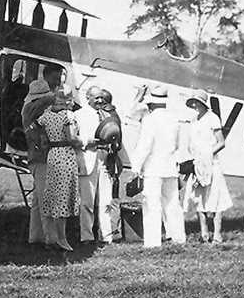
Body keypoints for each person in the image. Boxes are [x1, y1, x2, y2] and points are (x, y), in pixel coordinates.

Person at [128, 84, 186, 248]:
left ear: (151, 103)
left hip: (153, 168)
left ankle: (152, 242)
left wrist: (136, 167)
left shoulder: (150, 120)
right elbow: (177, 145)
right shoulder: (174, 119)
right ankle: (178, 237)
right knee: (173, 204)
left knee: (152, 205)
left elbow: (145, 145)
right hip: (170, 166)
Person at [183, 89, 232, 243]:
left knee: (215, 197)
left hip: (212, 162)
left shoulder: (213, 118)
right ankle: (204, 232)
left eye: (198, 102)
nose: (195, 105)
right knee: (199, 198)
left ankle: (217, 233)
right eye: (193, 103)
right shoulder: (193, 120)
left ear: (204, 104)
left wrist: (207, 155)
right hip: (197, 163)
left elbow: (221, 142)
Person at [37, 90, 83, 251]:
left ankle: (55, 236)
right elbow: (71, 138)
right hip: (65, 154)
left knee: (55, 193)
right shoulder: (68, 116)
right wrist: (84, 141)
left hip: (53, 153)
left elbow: (38, 129)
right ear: (68, 100)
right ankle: (62, 239)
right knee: (63, 196)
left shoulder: (46, 115)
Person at [77, 85, 122, 244]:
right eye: (96, 97)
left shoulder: (106, 114)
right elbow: (73, 138)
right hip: (88, 157)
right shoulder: (79, 115)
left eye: (101, 97)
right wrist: (86, 143)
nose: (100, 100)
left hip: (105, 158)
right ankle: (87, 236)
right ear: (87, 97)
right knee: (87, 202)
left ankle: (106, 235)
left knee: (106, 200)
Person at [21, 80, 56, 245]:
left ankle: (35, 237)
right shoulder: (37, 110)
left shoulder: (28, 109)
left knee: (37, 201)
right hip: (43, 159)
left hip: (35, 158)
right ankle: (52, 240)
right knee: (46, 201)